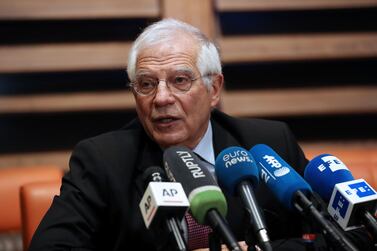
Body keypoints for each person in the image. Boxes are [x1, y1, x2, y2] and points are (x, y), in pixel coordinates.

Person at [29, 18, 374, 251]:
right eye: (147, 84)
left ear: (214, 89)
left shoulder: (267, 144)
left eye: (180, 80)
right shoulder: (103, 161)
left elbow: (346, 237)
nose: (161, 98)